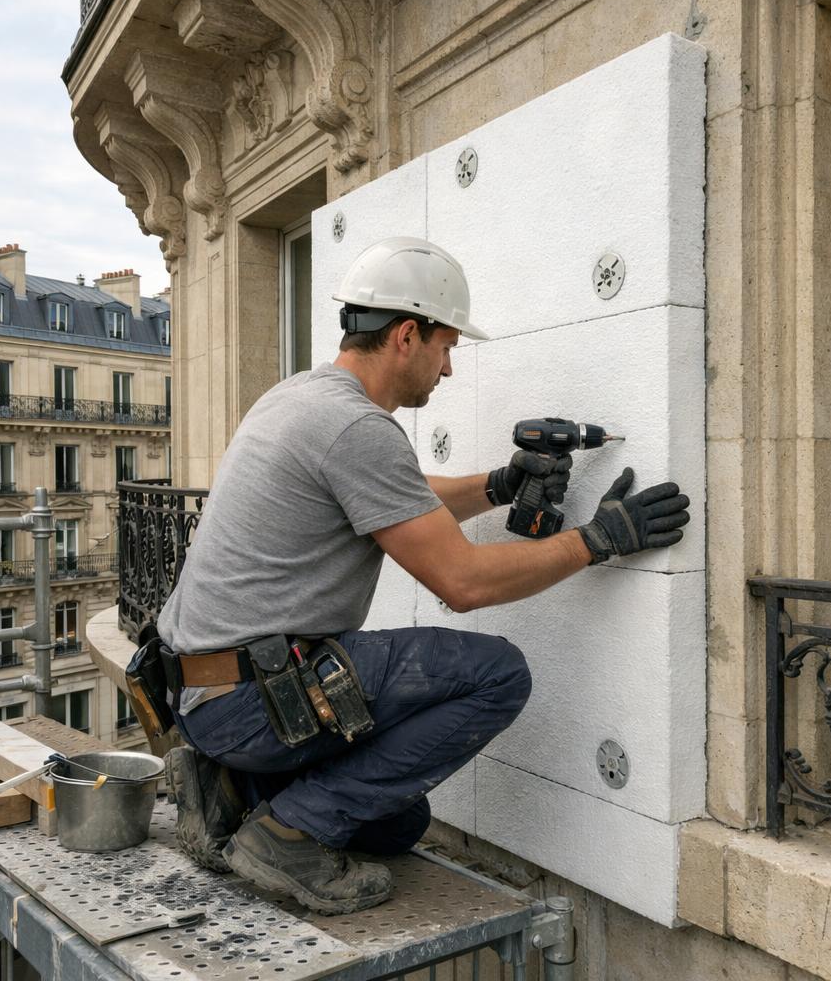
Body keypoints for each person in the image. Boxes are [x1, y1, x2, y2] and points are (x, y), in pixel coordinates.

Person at [156, 236, 690, 915]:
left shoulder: (305, 398)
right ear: (407, 336)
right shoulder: (355, 429)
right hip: (250, 700)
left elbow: (398, 496)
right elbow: (462, 584)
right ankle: (285, 836)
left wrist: (500, 485)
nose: (448, 370)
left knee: (398, 825)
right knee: (497, 674)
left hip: (206, 696)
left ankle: (229, 787)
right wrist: (601, 538)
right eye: (446, 348)